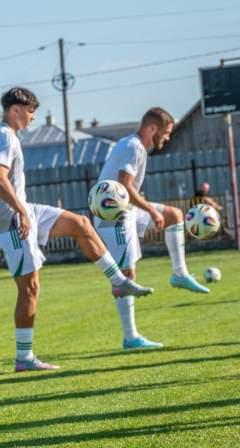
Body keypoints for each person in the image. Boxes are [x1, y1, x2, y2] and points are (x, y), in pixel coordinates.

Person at [0, 87, 154, 371]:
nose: (33, 117)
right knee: (30, 288)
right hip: (11, 221)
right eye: (30, 112)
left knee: (81, 224)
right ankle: (24, 359)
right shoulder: (4, 137)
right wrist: (17, 212)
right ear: (15, 110)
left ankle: (119, 280)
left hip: (23, 211)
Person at [95, 108, 210, 350]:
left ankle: (180, 274)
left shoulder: (132, 144)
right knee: (127, 276)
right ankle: (130, 338)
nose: (167, 138)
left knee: (174, 215)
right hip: (113, 216)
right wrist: (151, 210)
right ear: (152, 129)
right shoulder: (134, 147)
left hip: (125, 210)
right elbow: (125, 185)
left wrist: (151, 210)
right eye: (166, 133)